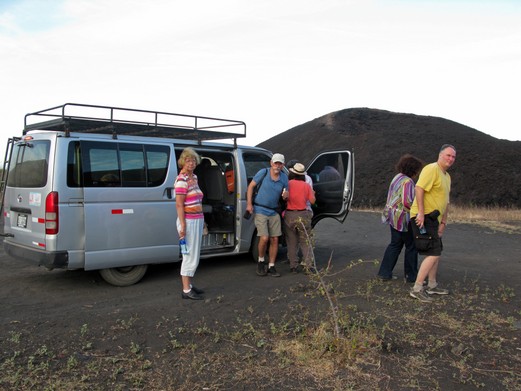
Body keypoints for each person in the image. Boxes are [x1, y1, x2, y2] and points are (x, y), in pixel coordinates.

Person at [409, 144, 457, 303]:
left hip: (435, 219)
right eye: (448, 155)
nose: (450, 159)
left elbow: (446, 203)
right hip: (423, 217)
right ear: (440, 155)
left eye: (453, 157)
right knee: (434, 251)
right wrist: (421, 213)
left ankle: (432, 285)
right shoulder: (431, 169)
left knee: (436, 250)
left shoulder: (447, 177)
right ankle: (416, 288)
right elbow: (419, 188)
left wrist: (444, 222)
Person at [378, 154, 424, 282]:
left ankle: (384, 273)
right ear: (413, 169)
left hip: (392, 216)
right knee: (411, 246)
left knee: (395, 244)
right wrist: (420, 210)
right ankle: (411, 276)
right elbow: (407, 201)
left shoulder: (397, 177)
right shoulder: (408, 182)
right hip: (403, 218)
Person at [246, 153, 289, 277]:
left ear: (283, 165)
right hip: (260, 209)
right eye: (276, 163)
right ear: (271, 163)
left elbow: (286, 194)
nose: (277, 165)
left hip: (274, 211)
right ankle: (260, 261)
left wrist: (286, 196)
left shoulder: (284, 178)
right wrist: (249, 204)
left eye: (280, 163)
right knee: (264, 238)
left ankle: (271, 266)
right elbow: (251, 187)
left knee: (275, 239)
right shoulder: (263, 172)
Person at [174, 147, 205, 300]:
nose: (191, 162)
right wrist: (183, 225)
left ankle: (190, 285)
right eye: (188, 160)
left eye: (193, 160)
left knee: (194, 254)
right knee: (189, 255)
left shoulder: (195, 178)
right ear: (182, 162)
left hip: (197, 220)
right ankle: (186, 290)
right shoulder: (182, 180)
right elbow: (179, 204)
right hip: (188, 221)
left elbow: (197, 200)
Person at [284, 163, 316, 273]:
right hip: (303, 214)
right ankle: (308, 266)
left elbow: (284, 197)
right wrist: (313, 194)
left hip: (289, 215)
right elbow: (312, 201)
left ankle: (293, 266)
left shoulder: (288, 184)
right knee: (305, 241)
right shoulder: (306, 186)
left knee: (292, 242)